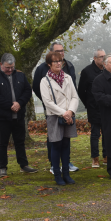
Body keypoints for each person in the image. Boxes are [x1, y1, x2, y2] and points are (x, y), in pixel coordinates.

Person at [0, 53, 38, 177]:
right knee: (2, 142)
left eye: (12, 67)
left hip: (19, 116)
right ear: (1, 65)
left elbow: (27, 90)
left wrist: (19, 104)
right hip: (3, 117)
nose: (10, 70)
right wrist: (11, 105)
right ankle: (2, 167)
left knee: (20, 141)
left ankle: (23, 165)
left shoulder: (20, 75)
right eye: (7, 67)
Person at [32, 42, 79, 172]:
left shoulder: (69, 66)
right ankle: (54, 165)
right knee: (54, 140)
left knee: (66, 141)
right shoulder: (42, 70)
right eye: (57, 52)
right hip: (54, 111)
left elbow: (74, 91)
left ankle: (66, 164)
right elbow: (37, 87)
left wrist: (70, 111)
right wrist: (50, 104)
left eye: (62, 51)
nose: (60, 54)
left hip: (68, 111)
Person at [78, 48, 107, 167]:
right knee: (95, 134)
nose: (103, 59)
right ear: (95, 58)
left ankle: (106, 156)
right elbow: (81, 91)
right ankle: (95, 158)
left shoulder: (107, 70)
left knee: (107, 133)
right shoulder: (87, 71)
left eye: (105, 56)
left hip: (107, 107)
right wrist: (88, 104)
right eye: (101, 57)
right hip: (94, 108)